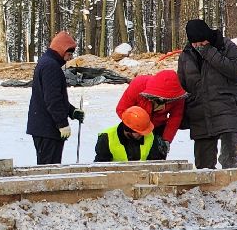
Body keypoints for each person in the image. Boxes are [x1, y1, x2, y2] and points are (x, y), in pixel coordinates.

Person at [176, 18, 237, 170]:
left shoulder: (226, 46)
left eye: (202, 43)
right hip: (199, 113)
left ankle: (232, 188)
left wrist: (210, 53)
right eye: (195, 44)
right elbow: (182, 86)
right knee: (203, 166)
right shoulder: (185, 56)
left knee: (230, 160)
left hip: (225, 108)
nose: (198, 47)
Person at [25, 30, 84, 165]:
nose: (69, 58)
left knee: (49, 167)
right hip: (48, 129)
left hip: (44, 127)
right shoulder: (51, 66)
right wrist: (62, 124)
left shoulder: (48, 63)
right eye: (68, 54)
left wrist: (72, 111)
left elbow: (54, 97)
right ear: (61, 49)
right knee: (48, 171)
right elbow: (52, 100)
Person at [116, 69, 187, 147]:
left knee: (157, 153)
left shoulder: (178, 96)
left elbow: (175, 117)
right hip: (135, 124)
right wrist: (133, 129)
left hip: (158, 127)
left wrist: (166, 139)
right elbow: (121, 109)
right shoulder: (138, 84)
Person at [94, 105, 168, 162]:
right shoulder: (106, 137)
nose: (142, 134)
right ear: (127, 130)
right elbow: (101, 166)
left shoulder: (150, 137)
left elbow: (155, 165)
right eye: (139, 132)